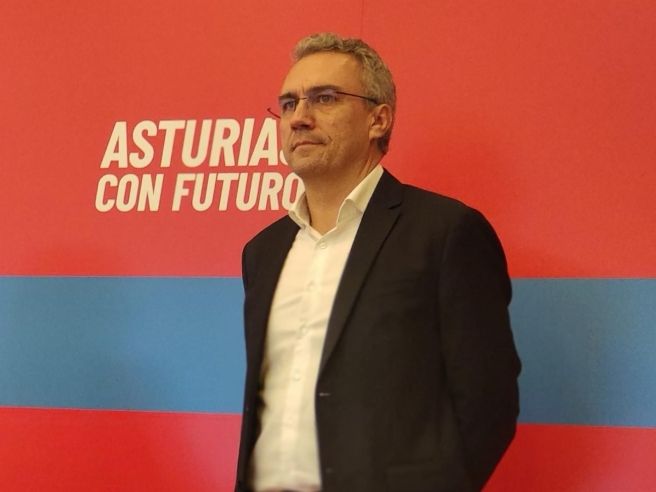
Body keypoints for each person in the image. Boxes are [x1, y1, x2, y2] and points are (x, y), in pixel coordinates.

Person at [236, 32, 521, 492]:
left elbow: (488, 400)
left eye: (324, 98)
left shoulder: (444, 232)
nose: (299, 118)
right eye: (288, 104)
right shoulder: (262, 252)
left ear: (378, 119)